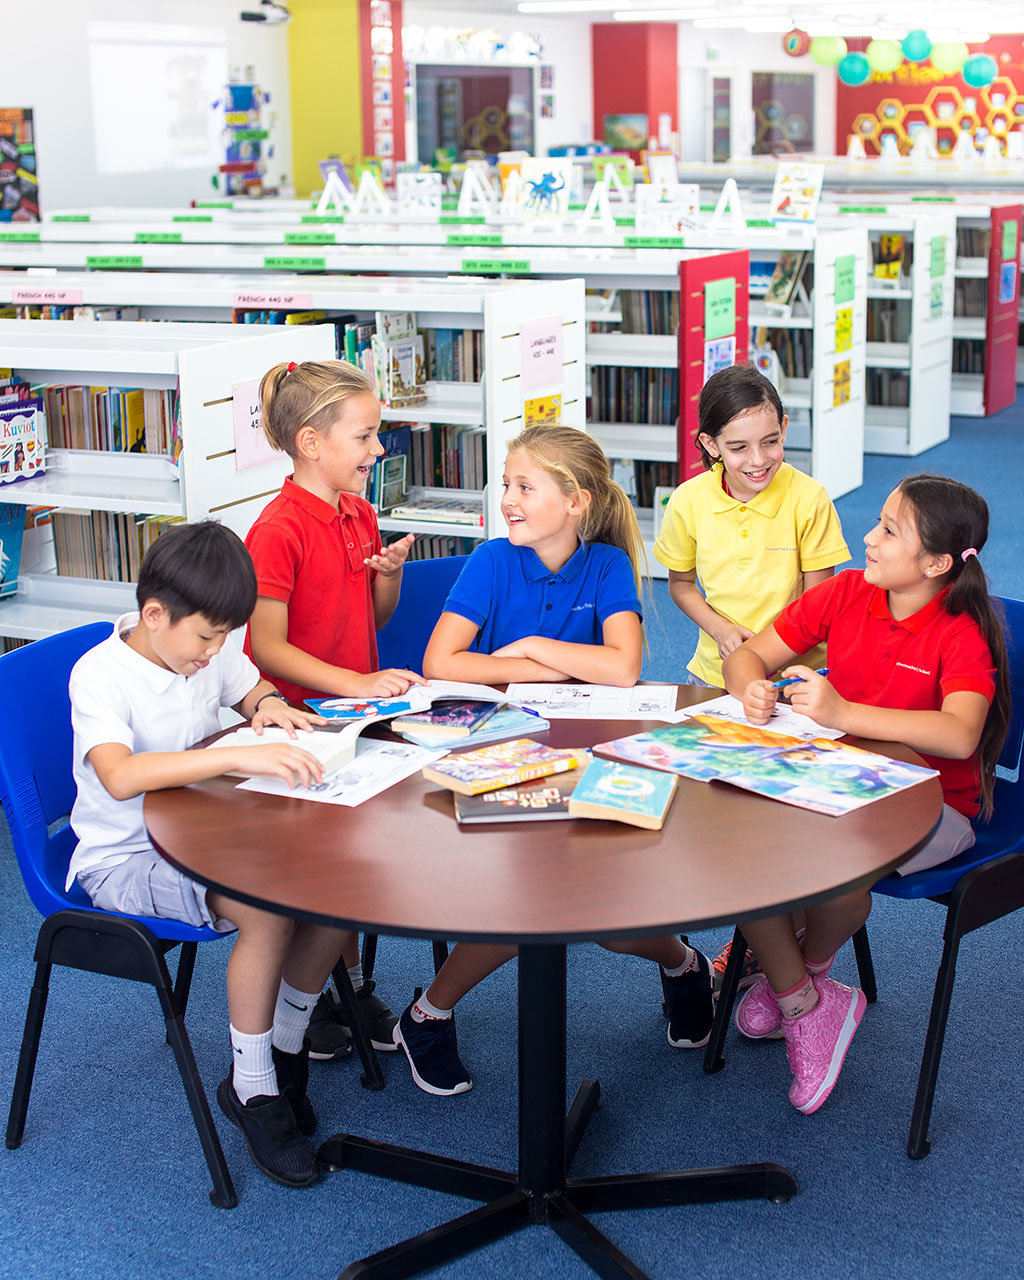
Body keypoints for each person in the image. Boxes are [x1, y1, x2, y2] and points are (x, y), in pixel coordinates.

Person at [392, 424, 715, 1096]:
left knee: (619, 923)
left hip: (591, 754)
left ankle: (685, 966)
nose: (507, 498)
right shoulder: (490, 560)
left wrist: (532, 644)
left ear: (576, 502)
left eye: (523, 486)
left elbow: (623, 668)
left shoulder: (606, 566)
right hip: (500, 755)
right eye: (506, 483)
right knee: (517, 910)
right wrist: (546, 663)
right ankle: (425, 1014)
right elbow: (440, 662)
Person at [68, 520, 346, 1188]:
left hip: (205, 827)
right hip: (126, 857)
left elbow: (247, 688)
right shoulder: (102, 676)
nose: (214, 652)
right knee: (268, 910)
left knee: (338, 882)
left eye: (225, 638)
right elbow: (119, 776)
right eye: (206, 639)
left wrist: (272, 707)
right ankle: (252, 1089)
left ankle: (284, 1048)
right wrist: (237, 754)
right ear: (154, 615)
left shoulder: (203, 643)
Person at [721, 474, 1010, 1115]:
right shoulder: (847, 591)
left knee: (837, 875)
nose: (867, 538)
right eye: (877, 522)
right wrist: (750, 689)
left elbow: (961, 736)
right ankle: (810, 1001)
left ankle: (804, 974)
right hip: (835, 778)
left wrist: (842, 712)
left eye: (888, 531)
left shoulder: (962, 631)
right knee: (734, 854)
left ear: (936, 564)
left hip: (936, 805)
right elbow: (750, 656)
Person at [653, 363, 849, 991]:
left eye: (771, 441)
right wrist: (718, 627)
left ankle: (771, 946)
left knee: (783, 824)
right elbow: (680, 583)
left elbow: (821, 602)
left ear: (785, 428)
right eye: (738, 447)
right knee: (718, 817)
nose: (758, 459)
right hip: (714, 678)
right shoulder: (687, 501)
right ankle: (762, 940)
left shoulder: (808, 497)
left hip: (796, 682)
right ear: (709, 446)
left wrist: (778, 654)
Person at [243, 358, 416, 1056]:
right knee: (336, 868)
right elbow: (267, 647)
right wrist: (352, 683)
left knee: (360, 852)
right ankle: (315, 1001)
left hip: (351, 717)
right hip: (301, 726)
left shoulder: (359, 512)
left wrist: (389, 578)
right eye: (366, 436)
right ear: (312, 443)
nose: (379, 450)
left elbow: (375, 617)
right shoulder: (278, 529)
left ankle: (339, 989)